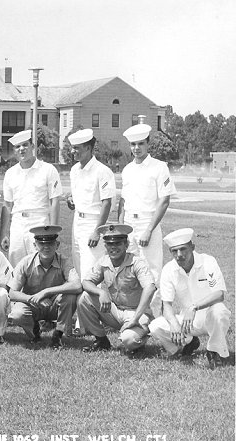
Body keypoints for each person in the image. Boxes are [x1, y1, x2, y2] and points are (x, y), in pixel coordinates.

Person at [149, 228, 232, 368]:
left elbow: (219, 294)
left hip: (209, 316)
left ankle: (215, 351)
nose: (179, 255)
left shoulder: (208, 261)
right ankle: (183, 346)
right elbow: (167, 305)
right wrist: (174, 324)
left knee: (220, 312)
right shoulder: (169, 269)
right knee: (155, 326)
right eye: (174, 251)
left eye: (183, 249)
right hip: (188, 323)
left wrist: (194, 307)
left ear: (192, 247)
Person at [118, 123, 176, 314]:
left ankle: (154, 316)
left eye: (140, 143)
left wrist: (149, 229)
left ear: (148, 143)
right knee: (130, 270)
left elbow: (164, 201)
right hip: (129, 225)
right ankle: (133, 313)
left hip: (147, 222)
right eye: (133, 144)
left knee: (152, 272)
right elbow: (123, 201)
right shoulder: (127, 169)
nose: (136, 148)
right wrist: (121, 229)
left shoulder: (159, 168)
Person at [78, 224, 156, 355]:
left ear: (126, 245)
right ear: (105, 246)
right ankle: (101, 341)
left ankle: (138, 341)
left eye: (118, 243)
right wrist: (101, 292)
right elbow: (86, 282)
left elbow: (150, 287)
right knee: (84, 298)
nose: (113, 247)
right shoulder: (104, 261)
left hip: (137, 312)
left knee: (129, 340)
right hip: (116, 311)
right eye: (109, 244)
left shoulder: (137, 262)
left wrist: (135, 319)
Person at [8, 226, 82, 349]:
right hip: (33, 304)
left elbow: (77, 285)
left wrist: (46, 292)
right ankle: (34, 333)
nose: (46, 247)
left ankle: (58, 335)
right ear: (35, 245)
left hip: (54, 305)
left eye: (50, 243)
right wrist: (34, 298)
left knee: (70, 296)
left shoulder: (64, 261)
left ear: (57, 245)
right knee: (17, 314)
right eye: (41, 243)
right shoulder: (26, 262)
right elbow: (12, 293)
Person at [0, 130, 62, 267]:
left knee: (39, 265)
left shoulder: (48, 170)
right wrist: (4, 233)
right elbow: (7, 205)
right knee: (16, 267)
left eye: (25, 145)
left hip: (40, 222)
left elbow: (55, 202)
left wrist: (53, 231)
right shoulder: (10, 174)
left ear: (32, 146)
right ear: (14, 151)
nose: (21, 149)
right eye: (17, 147)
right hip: (17, 224)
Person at [66, 129, 116, 279]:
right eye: (72, 147)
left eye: (76, 148)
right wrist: (71, 200)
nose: (72, 151)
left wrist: (97, 231)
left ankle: (94, 302)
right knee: (78, 266)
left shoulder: (102, 171)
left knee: (91, 272)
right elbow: (77, 196)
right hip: (77, 222)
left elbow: (107, 203)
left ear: (88, 148)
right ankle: (82, 302)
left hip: (93, 223)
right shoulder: (74, 170)